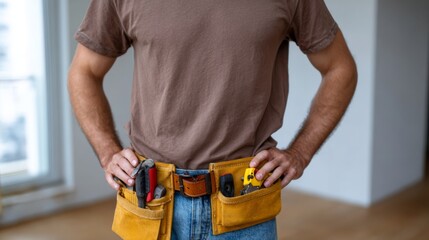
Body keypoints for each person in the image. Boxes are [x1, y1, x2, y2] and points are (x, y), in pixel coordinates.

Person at [68, 0, 357, 239]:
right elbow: (84, 72)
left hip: (243, 200)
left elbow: (339, 68)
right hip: (152, 200)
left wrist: (300, 153)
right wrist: (108, 154)